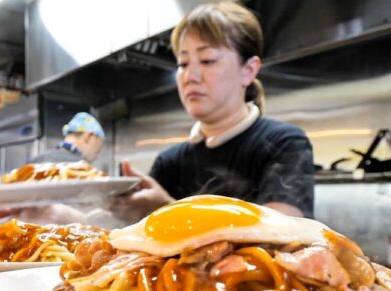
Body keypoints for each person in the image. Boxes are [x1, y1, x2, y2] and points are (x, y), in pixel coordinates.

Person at [112, 1, 314, 223]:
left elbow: (281, 232)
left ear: (248, 70)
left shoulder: (284, 143)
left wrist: (167, 208)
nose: (190, 76)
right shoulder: (169, 162)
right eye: (183, 63)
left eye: (207, 60)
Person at [0, 112, 106, 224]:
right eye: (98, 149)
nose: (95, 157)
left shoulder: (36, 162)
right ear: (88, 137)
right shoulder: (84, 170)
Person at [33, 112, 105, 164]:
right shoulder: (81, 168)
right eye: (97, 152)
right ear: (88, 137)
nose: (95, 159)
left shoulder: (35, 161)